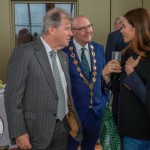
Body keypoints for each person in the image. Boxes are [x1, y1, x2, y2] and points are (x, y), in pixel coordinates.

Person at [4, 8, 83, 150]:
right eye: (67, 29)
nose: (71, 33)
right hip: (35, 133)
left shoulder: (63, 57)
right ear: (52, 29)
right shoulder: (24, 53)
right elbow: (12, 97)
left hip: (62, 128)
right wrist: (19, 132)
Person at [63, 15, 121, 150]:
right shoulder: (64, 52)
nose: (88, 30)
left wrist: (105, 77)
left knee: (90, 147)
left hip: (96, 113)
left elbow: (103, 82)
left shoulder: (99, 48)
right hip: (74, 115)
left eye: (89, 26)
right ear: (72, 31)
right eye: (83, 28)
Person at [114, 8, 150, 149]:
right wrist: (105, 75)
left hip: (142, 132)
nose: (121, 30)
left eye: (124, 26)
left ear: (136, 27)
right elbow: (118, 91)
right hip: (127, 129)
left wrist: (131, 74)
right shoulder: (126, 53)